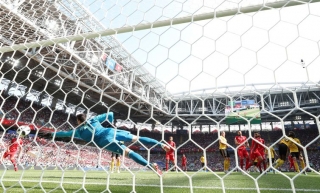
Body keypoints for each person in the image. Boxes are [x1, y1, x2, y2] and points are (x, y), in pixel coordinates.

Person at [47, 112, 170, 175]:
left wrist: (51, 134)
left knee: (129, 153)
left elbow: (64, 133)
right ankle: (161, 144)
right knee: (137, 138)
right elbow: (110, 114)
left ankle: (150, 165)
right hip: (110, 131)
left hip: (104, 141)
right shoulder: (93, 119)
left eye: (77, 121)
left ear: (79, 121)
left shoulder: (78, 131)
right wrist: (109, 124)